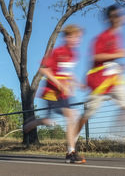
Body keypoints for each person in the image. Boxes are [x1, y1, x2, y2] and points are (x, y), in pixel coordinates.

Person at [73, 4, 125, 161]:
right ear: (109, 18)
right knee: (87, 115)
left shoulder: (117, 36)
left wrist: (119, 65)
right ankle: (71, 143)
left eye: (120, 15)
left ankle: (115, 134)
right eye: (116, 15)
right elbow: (96, 57)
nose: (119, 18)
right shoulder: (102, 37)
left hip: (115, 79)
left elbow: (110, 59)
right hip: (99, 82)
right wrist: (117, 54)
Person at [23, 24, 85, 164]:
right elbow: (44, 70)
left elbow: (68, 74)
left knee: (71, 117)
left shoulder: (73, 54)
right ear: (68, 37)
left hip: (64, 94)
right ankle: (70, 152)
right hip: (51, 93)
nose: (78, 40)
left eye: (79, 37)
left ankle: (71, 150)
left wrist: (77, 83)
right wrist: (58, 83)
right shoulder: (57, 51)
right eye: (75, 37)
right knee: (63, 118)